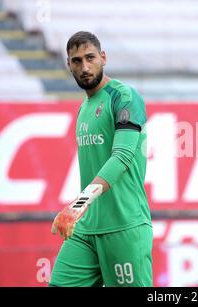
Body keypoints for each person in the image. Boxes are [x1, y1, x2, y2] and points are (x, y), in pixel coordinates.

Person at [49, 31, 153, 287]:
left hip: (124, 226)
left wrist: (77, 204)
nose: (84, 67)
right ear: (68, 65)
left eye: (90, 58)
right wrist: (82, 210)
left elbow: (122, 156)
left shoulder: (125, 97)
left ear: (103, 57)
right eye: (76, 61)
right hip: (86, 229)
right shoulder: (83, 109)